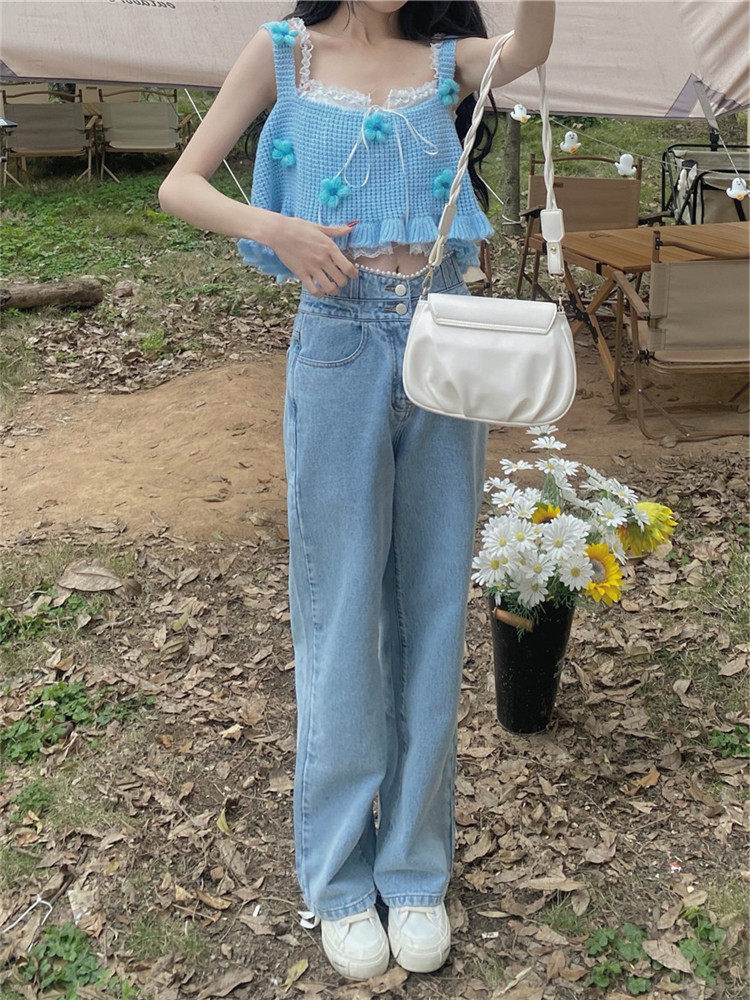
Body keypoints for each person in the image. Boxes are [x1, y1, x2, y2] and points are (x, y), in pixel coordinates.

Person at [159, 0, 555, 981]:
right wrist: (279, 230)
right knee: (339, 612)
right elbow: (181, 185)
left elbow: (534, 48)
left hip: (443, 341)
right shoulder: (285, 53)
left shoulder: (445, 57)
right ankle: (339, 878)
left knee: (431, 605)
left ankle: (415, 871)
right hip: (337, 342)